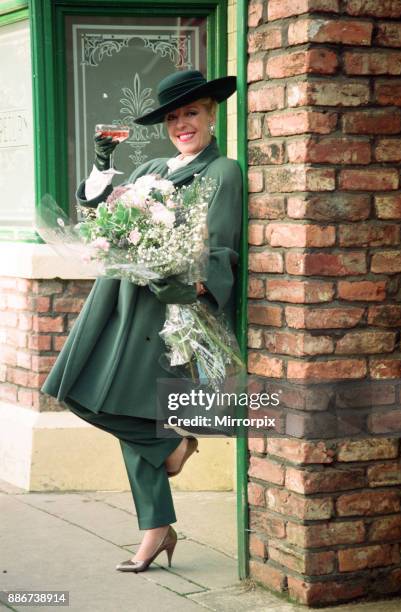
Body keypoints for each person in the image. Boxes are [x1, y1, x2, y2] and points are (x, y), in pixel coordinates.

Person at [40, 69, 243, 572]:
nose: (182, 124)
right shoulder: (153, 165)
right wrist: (103, 164)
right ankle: (170, 460)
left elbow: (220, 248)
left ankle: (155, 526)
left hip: (166, 311)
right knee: (75, 391)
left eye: (191, 113)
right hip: (118, 300)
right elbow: (98, 210)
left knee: (132, 411)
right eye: (173, 117)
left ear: (211, 114)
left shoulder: (224, 172)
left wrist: (188, 284)